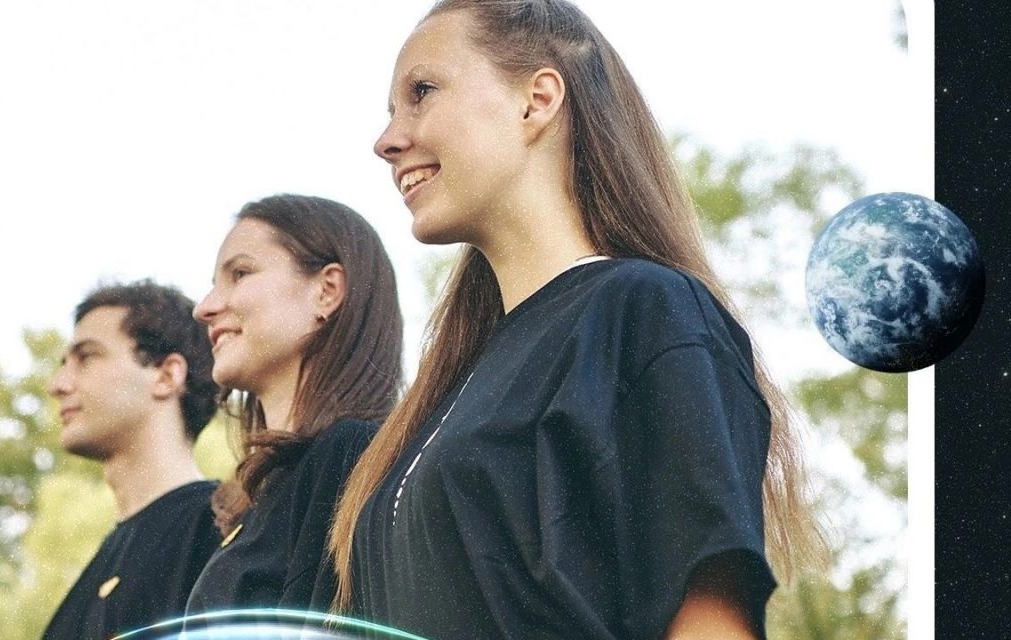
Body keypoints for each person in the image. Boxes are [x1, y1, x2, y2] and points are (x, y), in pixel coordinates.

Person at [328, 2, 826, 639]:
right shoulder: (452, 385)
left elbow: (711, 624)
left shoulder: (645, 311)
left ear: (536, 101)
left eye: (421, 92)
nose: (387, 140)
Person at [184, 194, 404, 616]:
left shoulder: (350, 454)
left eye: (240, 273)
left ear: (327, 291)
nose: (203, 308)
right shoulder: (267, 495)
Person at [41, 280, 222, 640]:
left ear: (166, 376)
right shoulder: (103, 562)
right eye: (64, 364)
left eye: (86, 357)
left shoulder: (217, 531)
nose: (58, 385)